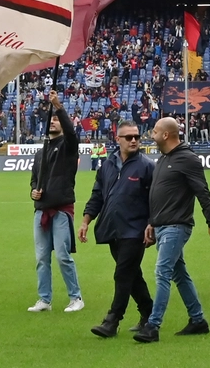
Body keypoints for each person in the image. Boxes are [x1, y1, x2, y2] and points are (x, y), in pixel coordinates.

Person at [133, 117, 210, 343]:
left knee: (162, 272)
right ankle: (198, 320)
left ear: (165, 135)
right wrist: (152, 222)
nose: (150, 135)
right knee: (179, 274)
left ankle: (153, 326)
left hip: (176, 226)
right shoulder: (163, 159)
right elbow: (160, 195)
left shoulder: (187, 158)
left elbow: (203, 192)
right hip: (162, 225)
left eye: (154, 131)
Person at [80, 120, 155, 338]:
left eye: (136, 137)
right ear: (118, 139)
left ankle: (112, 320)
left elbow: (155, 200)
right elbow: (97, 196)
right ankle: (148, 312)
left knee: (122, 274)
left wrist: (152, 225)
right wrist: (86, 221)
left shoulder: (148, 166)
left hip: (136, 230)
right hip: (112, 229)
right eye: (128, 137)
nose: (134, 141)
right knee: (132, 275)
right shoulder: (107, 165)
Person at [29, 91, 84, 313]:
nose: (52, 122)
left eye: (56, 119)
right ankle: (44, 299)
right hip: (41, 210)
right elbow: (34, 180)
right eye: (49, 119)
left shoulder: (68, 146)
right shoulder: (40, 153)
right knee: (42, 258)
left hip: (61, 209)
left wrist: (58, 107)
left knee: (62, 256)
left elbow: (71, 133)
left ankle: (76, 297)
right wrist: (33, 191)